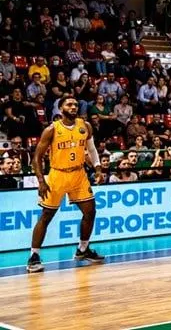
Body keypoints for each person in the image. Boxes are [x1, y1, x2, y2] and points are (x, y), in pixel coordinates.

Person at [27, 97, 105, 272]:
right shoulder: (51, 130)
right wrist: (41, 181)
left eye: (76, 104)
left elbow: (91, 150)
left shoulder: (85, 126)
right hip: (57, 174)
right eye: (69, 104)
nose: (73, 106)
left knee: (90, 211)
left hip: (79, 173)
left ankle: (83, 249)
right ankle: (33, 256)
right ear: (60, 108)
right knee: (46, 216)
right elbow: (37, 158)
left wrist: (98, 168)